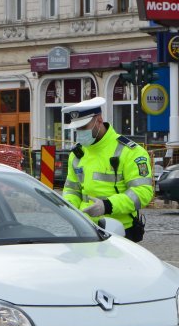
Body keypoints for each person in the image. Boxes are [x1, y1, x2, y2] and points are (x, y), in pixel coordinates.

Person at [60, 96, 153, 243]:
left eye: (84, 127)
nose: (80, 132)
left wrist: (107, 206)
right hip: (86, 229)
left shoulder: (131, 151)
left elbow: (143, 192)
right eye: (77, 128)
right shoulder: (77, 154)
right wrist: (70, 210)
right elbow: (72, 189)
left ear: (99, 120)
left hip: (121, 232)